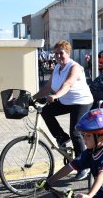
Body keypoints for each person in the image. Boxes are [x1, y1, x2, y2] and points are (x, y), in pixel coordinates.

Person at [32, 40, 93, 179]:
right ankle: (61, 137)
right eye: (56, 54)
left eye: (61, 53)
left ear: (68, 53)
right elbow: (47, 87)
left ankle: (83, 166)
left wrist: (56, 95)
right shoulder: (57, 69)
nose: (58, 56)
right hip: (66, 101)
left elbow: (68, 84)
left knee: (75, 132)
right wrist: (32, 98)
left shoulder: (75, 67)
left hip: (81, 102)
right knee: (46, 111)